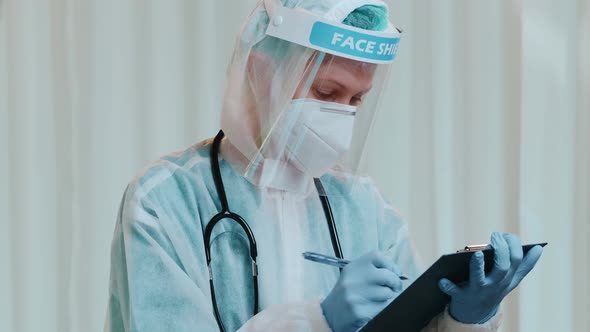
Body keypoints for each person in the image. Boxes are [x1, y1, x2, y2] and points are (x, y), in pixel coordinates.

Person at [105, 0, 543, 331]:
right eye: (327, 93)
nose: (342, 116)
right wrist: (318, 320)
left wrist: (463, 317)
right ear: (261, 73)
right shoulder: (165, 200)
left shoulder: (364, 208)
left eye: (356, 100)